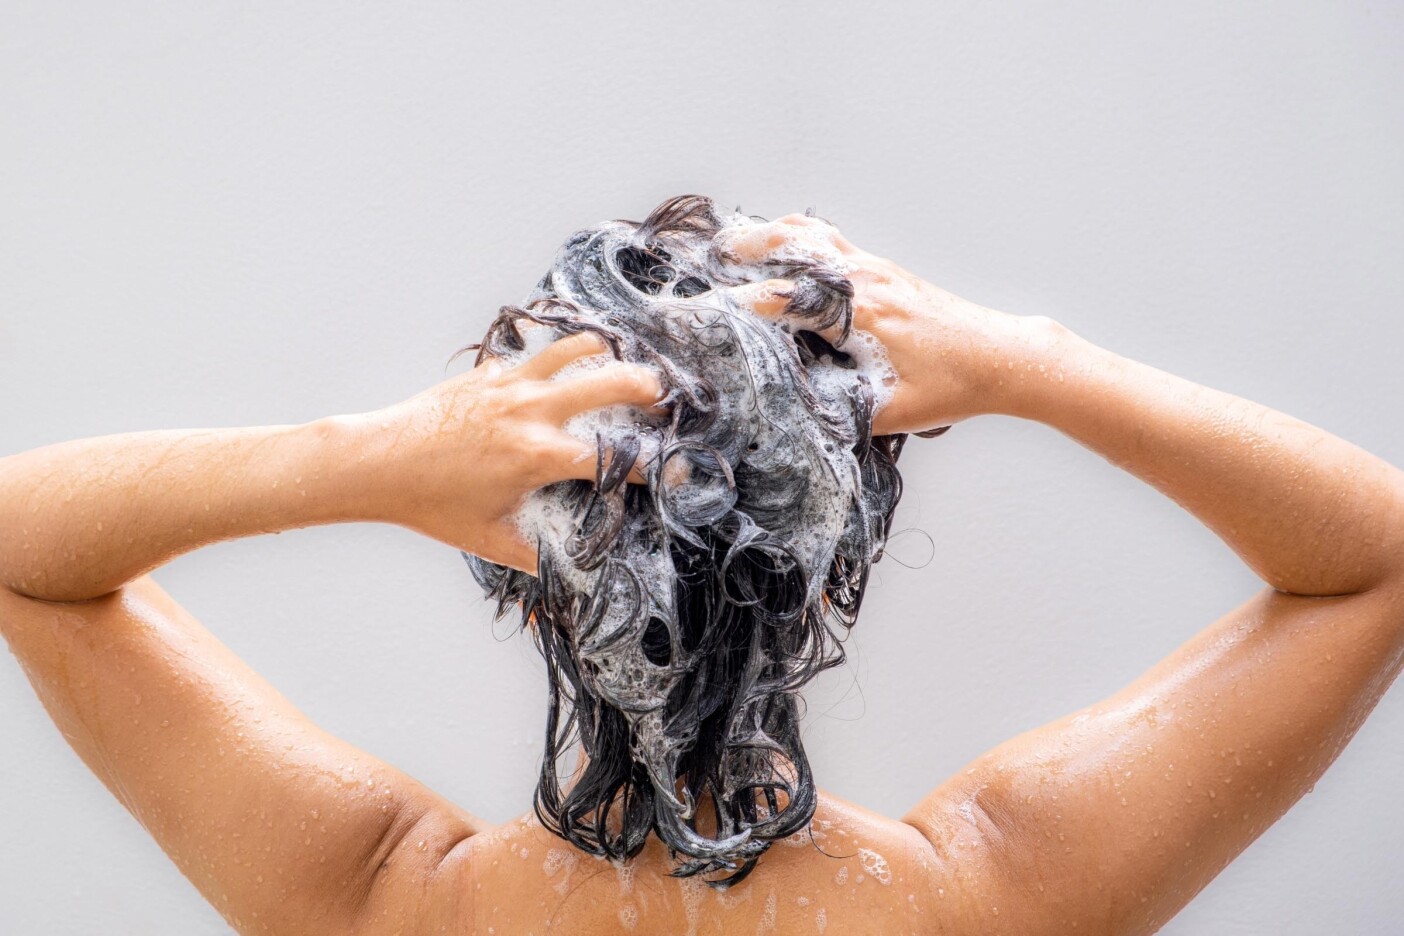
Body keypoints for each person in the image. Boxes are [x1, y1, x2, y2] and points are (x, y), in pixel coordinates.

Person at [2, 210, 1401, 936]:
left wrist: (364, 457)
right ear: (824, 563)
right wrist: (1038, 361)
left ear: (521, 563)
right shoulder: (985, 904)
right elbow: (1375, 565)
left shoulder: (387, 905)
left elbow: (29, 558)